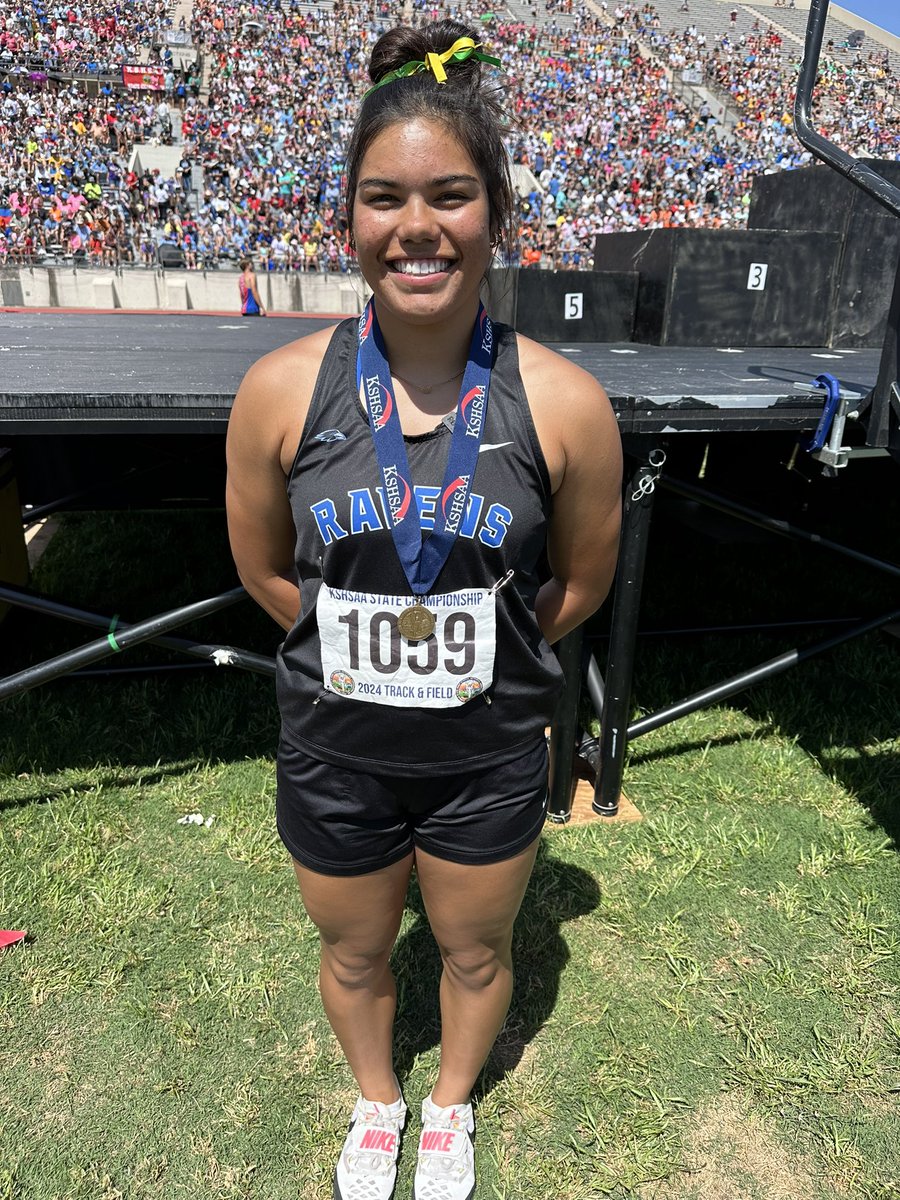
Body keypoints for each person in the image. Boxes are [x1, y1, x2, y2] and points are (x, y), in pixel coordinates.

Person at [225, 20, 621, 1200]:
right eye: (384, 197)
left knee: (475, 947)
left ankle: (447, 1106)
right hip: (334, 747)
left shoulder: (567, 402)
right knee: (353, 951)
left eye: (450, 196)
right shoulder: (279, 390)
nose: (417, 227)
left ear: (494, 214)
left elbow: (582, 584)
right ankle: (378, 1101)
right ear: (347, 220)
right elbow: (261, 570)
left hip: (485, 752)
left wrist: (480, 658)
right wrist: (374, 659)